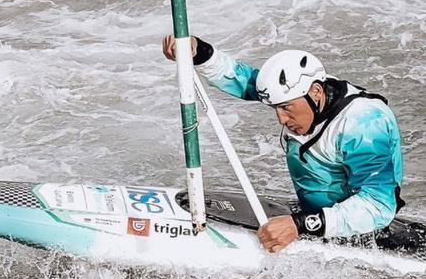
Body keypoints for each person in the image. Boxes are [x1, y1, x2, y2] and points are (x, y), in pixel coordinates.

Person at [162, 35, 404, 253]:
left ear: (316, 92)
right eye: (276, 108)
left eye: (286, 108)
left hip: (360, 224)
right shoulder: (303, 90)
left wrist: (302, 225)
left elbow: (378, 204)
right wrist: (200, 53)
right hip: (315, 211)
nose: (281, 119)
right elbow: (245, 80)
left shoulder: (364, 124)